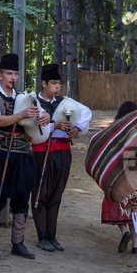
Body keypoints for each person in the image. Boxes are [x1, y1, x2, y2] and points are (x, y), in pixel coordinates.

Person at [0, 53, 49, 259]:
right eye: (9, 73)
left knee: (21, 198)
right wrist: (21, 116)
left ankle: (17, 243)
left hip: (23, 155)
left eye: (16, 74)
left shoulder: (25, 97)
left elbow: (42, 116)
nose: (13, 78)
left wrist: (44, 116)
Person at [32, 64, 92, 252]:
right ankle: (42, 235)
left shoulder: (66, 101)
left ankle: (52, 235)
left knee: (56, 194)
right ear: (44, 83)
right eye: (54, 83)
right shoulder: (34, 102)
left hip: (63, 151)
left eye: (59, 83)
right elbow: (32, 128)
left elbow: (87, 112)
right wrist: (54, 126)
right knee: (41, 192)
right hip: (42, 151)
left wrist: (78, 128)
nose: (57, 87)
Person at [101, 101, 137, 253]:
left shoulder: (113, 130)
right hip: (133, 174)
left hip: (116, 174)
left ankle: (124, 232)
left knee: (115, 203)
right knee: (133, 207)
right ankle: (136, 245)